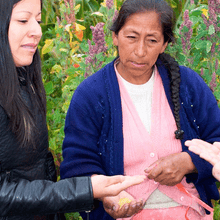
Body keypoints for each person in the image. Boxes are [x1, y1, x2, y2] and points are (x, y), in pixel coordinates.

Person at [60, 0, 220, 219]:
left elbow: (216, 140)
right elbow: (77, 166)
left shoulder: (187, 85)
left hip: (188, 211)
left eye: (152, 40)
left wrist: (189, 162)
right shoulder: (90, 95)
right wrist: (108, 197)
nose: (140, 51)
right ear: (115, 36)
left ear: (164, 44)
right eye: (131, 37)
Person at [0, 0, 147, 219]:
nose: (37, 31)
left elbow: (35, 173)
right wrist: (87, 189)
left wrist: (98, 192)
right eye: (23, 20)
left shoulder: (22, 79)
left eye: (38, 20)